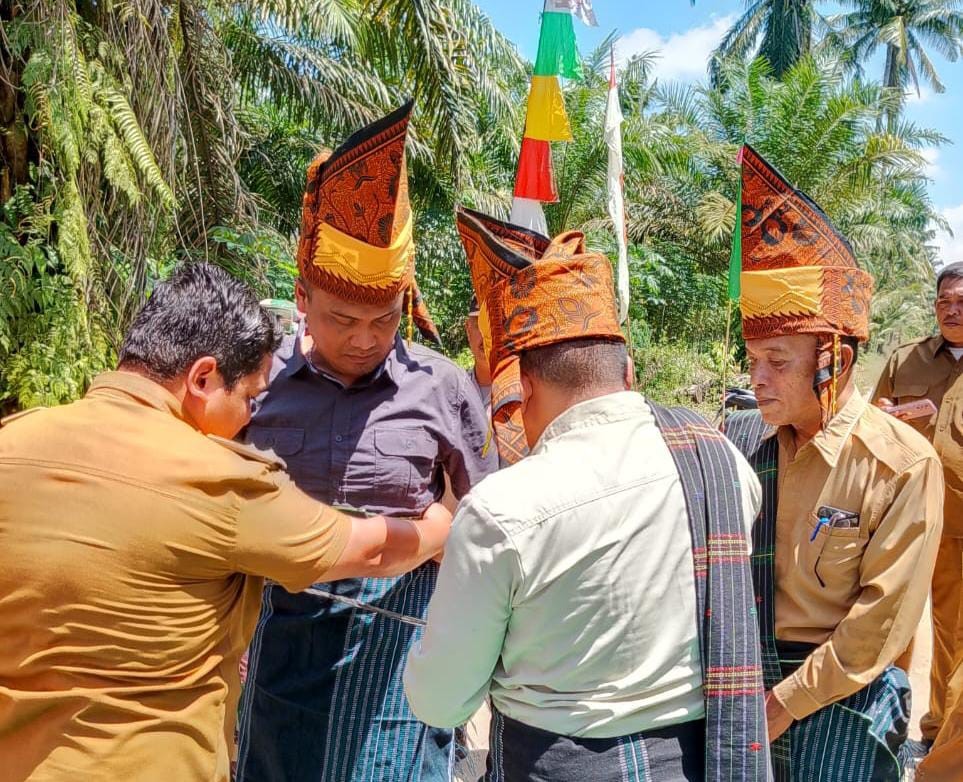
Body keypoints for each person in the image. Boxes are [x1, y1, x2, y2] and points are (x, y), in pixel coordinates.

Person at [0, 262, 452, 782]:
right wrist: (438, 527)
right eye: (250, 399)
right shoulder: (217, 482)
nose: (248, 421)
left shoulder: (15, 440)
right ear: (203, 378)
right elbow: (367, 551)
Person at [405, 213, 770, 782]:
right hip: (698, 760)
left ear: (522, 385)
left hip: (553, 765)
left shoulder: (505, 509)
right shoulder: (719, 459)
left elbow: (441, 702)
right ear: (628, 371)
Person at [234, 103, 497, 782]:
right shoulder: (256, 388)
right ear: (301, 298)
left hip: (396, 674)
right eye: (340, 318)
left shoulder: (443, 389)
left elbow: (488, 519)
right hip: (274, 665)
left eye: (383, 319)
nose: (363, 338)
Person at [724, 145, 943, 781]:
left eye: (778, 362)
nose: (757, 380)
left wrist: (783, 704)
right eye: (753, 359)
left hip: (846, 681)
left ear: (834, 362)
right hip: (743, 670)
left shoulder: (900, 465)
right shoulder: (743, 444)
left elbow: (876, 628)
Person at [873, 260, 963, 764]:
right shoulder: (905, 362)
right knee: (889, 628)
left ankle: (937, 740)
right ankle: (882, 735)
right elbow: (867, 425)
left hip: (961, 531)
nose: (952, 311)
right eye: (944, 301)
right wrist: (884, 418)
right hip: (903, 522)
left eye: (962, 302)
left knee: (955, 639)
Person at [466, 295, 492, 415]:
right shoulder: (454, 389)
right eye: (479, 325)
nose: (486, 336)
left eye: (491, 325)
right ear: (468, 330)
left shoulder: (524, 392)